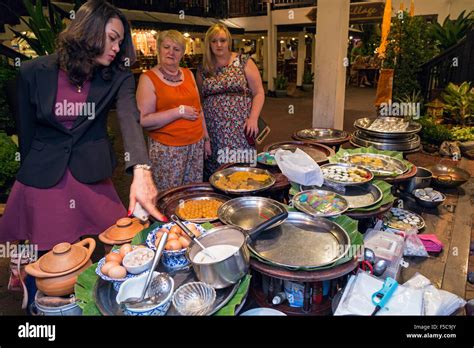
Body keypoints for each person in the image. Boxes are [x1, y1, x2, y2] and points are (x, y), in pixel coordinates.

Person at [0, 0, 166, 253]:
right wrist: (30, 183)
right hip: (44, 177)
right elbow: (26, 134)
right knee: (48, 260)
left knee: (113, 251)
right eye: (112, 38)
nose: (116, 48)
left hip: (91, 174)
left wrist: (142, 171)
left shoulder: (118, 77)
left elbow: (129, 118)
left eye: (120, 42)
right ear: (89, 29)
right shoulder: (33, 72)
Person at [136, 30, 209, 191]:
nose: (171, 52)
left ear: (182, 53)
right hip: (168, 150)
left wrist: (206, 139)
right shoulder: (148, 79)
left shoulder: (189, 74)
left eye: (176, 49)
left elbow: (199, 110)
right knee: (169, 196)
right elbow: (144, 120)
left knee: (192, 194)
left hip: (195, 146)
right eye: (166, 47)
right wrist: (179, 111)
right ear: (159, 49)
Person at [197, 23, 265, 179]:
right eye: (214, 41)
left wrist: (253, 118)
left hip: (240, 128)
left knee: (242, 171)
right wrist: (204, 134)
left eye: (222, 40)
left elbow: (259, 92)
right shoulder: (203, 68)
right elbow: (200, 100)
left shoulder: (243, 61)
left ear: (229, 41)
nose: (219, 45)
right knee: (216, 173)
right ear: (208, 44)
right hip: (214, 131)